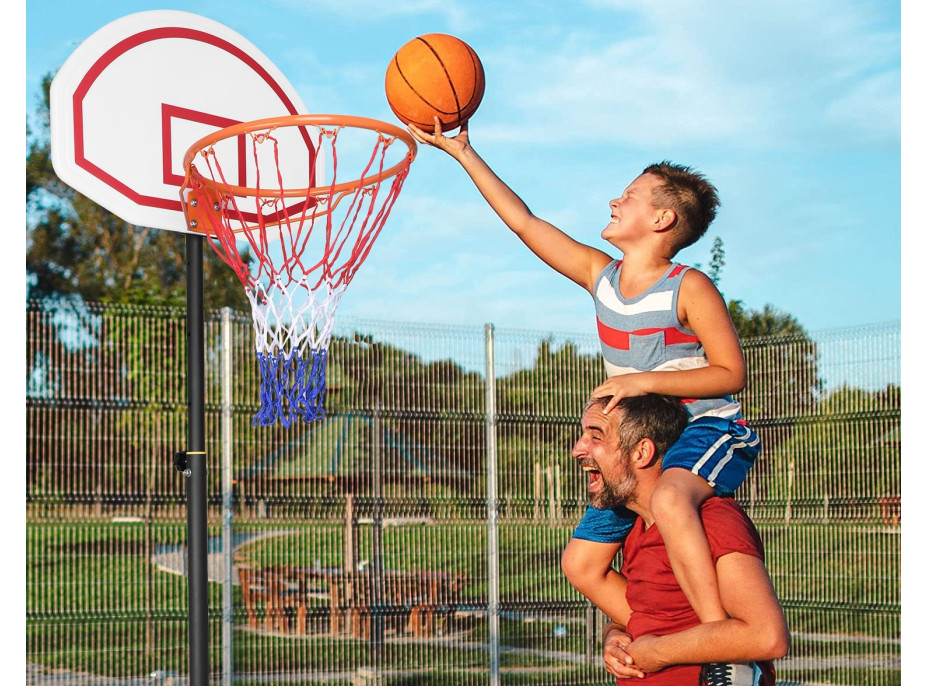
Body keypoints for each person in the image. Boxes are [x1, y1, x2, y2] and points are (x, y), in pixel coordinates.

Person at [408, 119, 761, 634]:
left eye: (629, 196)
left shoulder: (688, 287)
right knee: (580, 563)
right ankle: (652, 634)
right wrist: (464, 152)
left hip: (705, 429)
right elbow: (525, 223)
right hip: (642, 439)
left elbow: (732, 373)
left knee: (668, 498)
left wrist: (645, 382)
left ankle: (715, 633)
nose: (614, 202)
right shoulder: (602, 277)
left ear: (663, 218)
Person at [571, 393, 789, 684]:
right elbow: (651, 614)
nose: (577, 450)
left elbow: (766, 636)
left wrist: (659, 652)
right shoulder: (635, 529)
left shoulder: (711, 519)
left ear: (641, 452)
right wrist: (615, 636)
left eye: (595, 437)